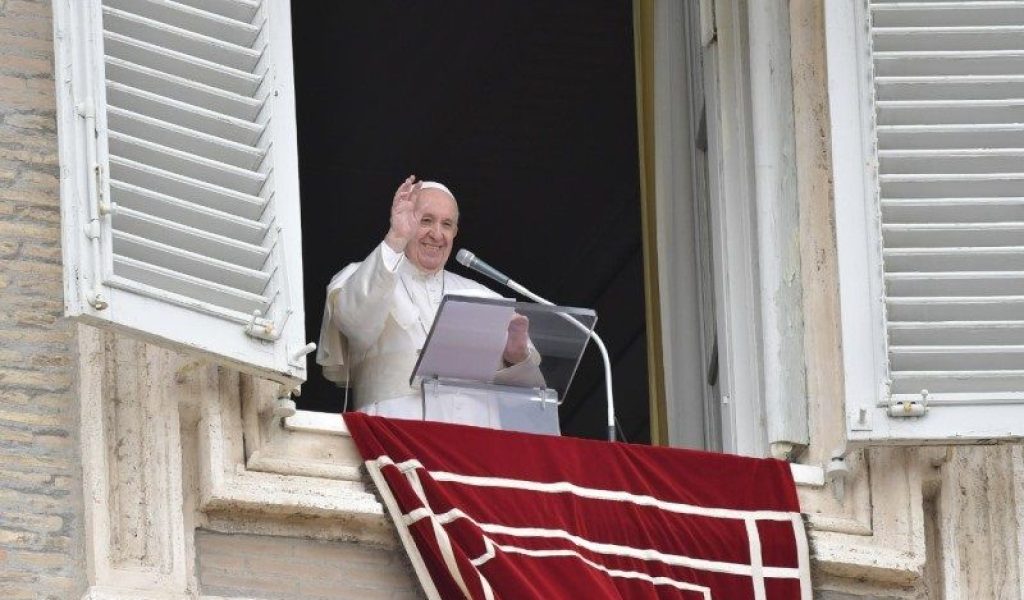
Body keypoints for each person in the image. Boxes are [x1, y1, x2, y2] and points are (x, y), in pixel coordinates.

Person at [317, 176, 542, 427]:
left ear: (455, 232)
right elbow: (355, 322)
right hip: (393, 432)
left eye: (446, 224)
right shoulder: (362, 275)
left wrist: (516, 357)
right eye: (426, 220)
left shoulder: (485, 296)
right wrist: (395, 238)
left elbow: (527, 398)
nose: (436, 234)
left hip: (475, 440)